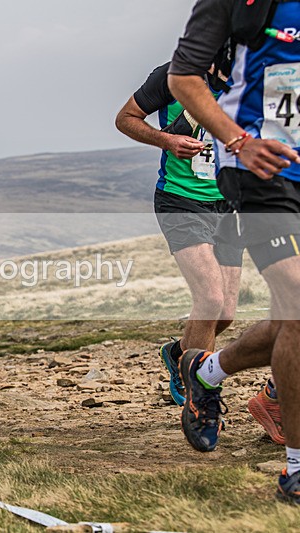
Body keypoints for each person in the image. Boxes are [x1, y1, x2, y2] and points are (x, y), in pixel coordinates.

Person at [168, 0, 300, 502]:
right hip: (260, 168)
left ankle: (207, 370)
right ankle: (295, 472)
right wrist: (239, 141)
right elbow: (184, 79)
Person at [116, 62, 247, 408]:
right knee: (210, 297)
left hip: (231, 204)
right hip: (180, 199)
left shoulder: (252, 75)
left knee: (225, 314)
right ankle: (200, 396)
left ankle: (178, 354)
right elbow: (125, 118)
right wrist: (167, 140)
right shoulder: (173, 74)